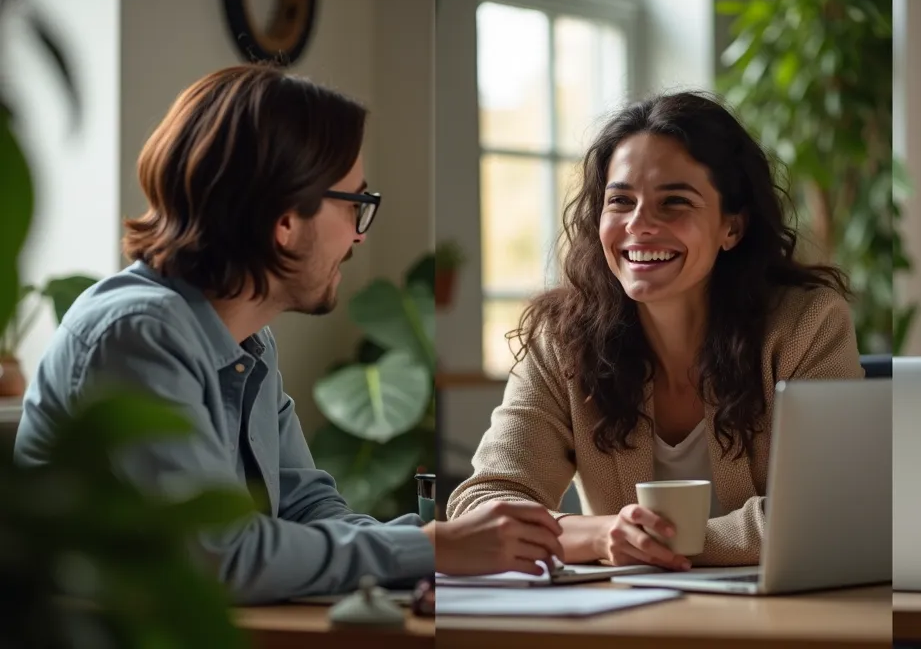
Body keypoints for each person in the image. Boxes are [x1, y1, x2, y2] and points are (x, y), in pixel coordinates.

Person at [13, 63, 562, 605]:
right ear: (284, 221)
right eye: (356, 205)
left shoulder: (248, 340)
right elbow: (219, 556)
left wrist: (452, 548)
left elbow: (308, 507)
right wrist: (429, 549)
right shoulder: (138, 334)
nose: (358, 236)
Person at [446, 91, 865, 571]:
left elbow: (827, 510)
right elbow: (482, 506)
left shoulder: (808, 326)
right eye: (620, 201)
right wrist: (602, 535)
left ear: (732, 227)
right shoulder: (561, 340)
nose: (639, 225)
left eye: (674, 203)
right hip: (628, 623)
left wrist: (656, 543)